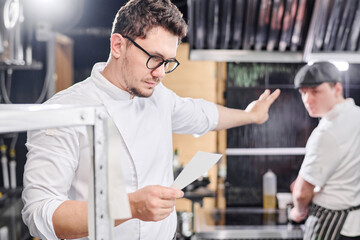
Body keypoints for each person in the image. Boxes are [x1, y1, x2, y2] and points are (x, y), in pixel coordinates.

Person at [21, 0, 280, 239]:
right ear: (118, 45)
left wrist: (251, 115)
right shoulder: (63, 110)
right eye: (154, 59)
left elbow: (203, 114)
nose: (160, 73)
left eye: (168, 62)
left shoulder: (159, 98)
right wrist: (129, 207)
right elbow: (39, 212)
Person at [289, 62, 360, 240]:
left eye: (315, 91)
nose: (307, 99)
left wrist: (297, 211)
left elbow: (301, 193)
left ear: (337, 88)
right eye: (303, 93)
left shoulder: (326, 132)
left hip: (329, 223)